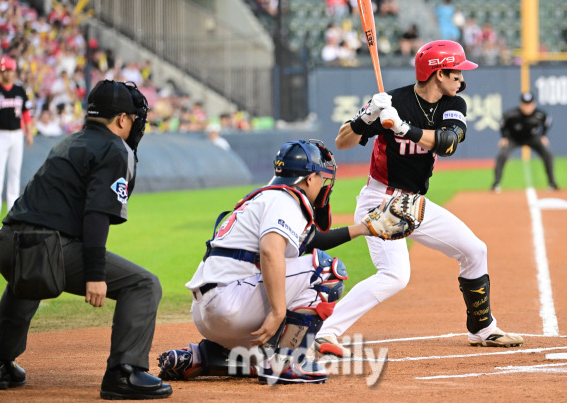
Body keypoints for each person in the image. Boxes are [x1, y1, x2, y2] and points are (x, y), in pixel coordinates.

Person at [312, 40, 525, 359]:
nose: (461, 80)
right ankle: (325, 332)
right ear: (438, 74)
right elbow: (342, 142)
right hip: (380, 200)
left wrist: (402, 128)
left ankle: (482, 328)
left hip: (414, 203)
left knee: (474, 249)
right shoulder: (391, 100)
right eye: (455, 73)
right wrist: (367, 116)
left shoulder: (453, 104)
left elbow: (448, 143)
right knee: (395, 276)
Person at [0, 80, 173, 400]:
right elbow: (96, 215)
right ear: (121, 120)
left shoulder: (71, 141)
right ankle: (123, 373)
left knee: (29, 277)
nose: (135, 123)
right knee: (144, 284)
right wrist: (95, 275)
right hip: (42, 245)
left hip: (6, 242)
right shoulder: (114, 148)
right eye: (132, 117)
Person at [156, 140, 391, 385]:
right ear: (309, 179)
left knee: (266, 347)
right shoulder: (285, 200)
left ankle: (202, 357)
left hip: (209, 311)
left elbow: (309, 242)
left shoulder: (267, 198)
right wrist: (278, 313)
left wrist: (363, 229)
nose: (324, 184)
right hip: (231, 303)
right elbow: (270, 251)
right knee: (326, 271)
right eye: (322, 177)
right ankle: (286, 363)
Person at [0, 56, 34, 217]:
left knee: (14, 171)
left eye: (9, 70)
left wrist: (29, 132)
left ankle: (12, 206)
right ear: (1, 72)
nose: (7, 73)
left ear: (14, 71)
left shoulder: (20, 91)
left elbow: (26, 113)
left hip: (16, 134)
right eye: (5, 70)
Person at [491, 92, 559, 192]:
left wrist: (543, 135)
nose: (527, 107)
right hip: (514, 138)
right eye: (525, 104)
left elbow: (548, 121)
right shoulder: (512, 114)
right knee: (502, 155)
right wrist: (504, 137)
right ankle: (496, 184)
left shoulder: (539, 114)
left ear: (534, 104)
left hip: (532, 138)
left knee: (548, 155)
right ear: (520, 104)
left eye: (529, 104)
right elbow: (502, 122)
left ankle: (552, 183)